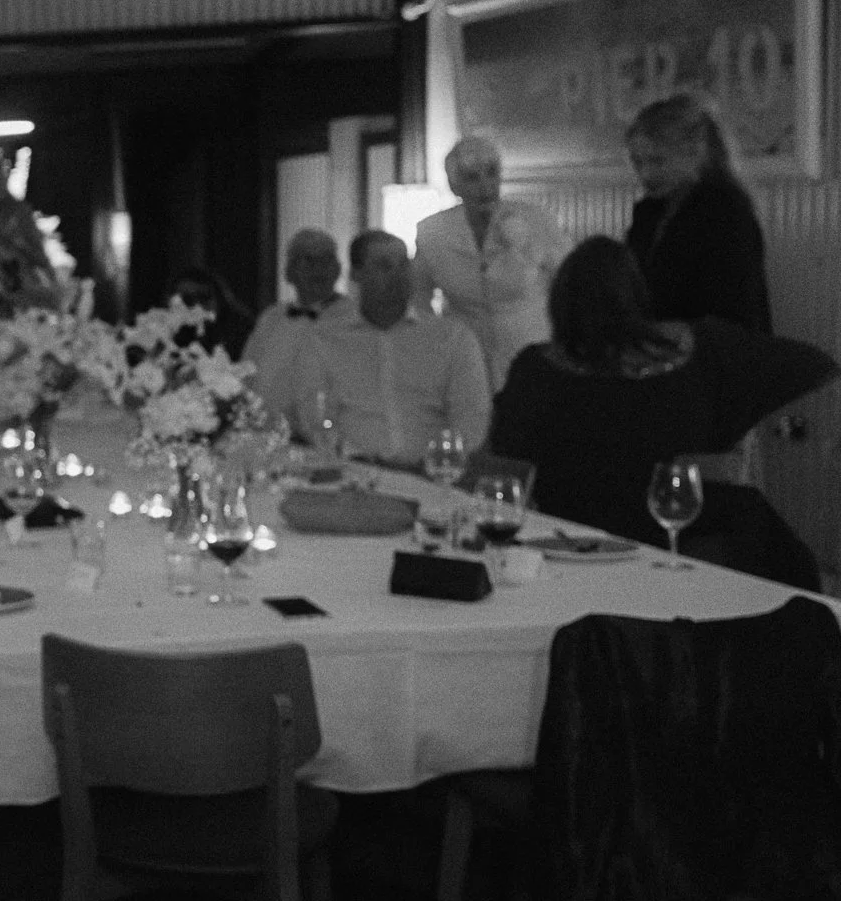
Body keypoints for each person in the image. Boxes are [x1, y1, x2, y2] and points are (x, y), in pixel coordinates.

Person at [486, 236, 832, 588]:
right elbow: (814, 367)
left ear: (560, 303)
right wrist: (748, 436)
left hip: (572, 542)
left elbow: (505, 461)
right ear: (635, 296)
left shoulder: (534, 371)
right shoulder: (702, 351)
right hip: (680, 537)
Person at [288, 228, 491, 465]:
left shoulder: (452, 338)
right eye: (384, 266)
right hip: (352, 472)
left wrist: (443, 461)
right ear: (356, 274)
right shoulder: (324, 339)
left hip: (432, 474)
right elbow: (315, 416)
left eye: (404, 265)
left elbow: (471, 418)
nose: (398, 276)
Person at [410, 136, 567, 391]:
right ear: (454, 185)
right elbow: (418, 296)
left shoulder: (535, 220)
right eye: (473, 178)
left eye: (492, 174)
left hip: (532, 351)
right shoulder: (434, 233)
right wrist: (436, 342)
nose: (486, 186)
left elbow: (569, 284)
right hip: (465, 355)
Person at [625, 93, 771, 332]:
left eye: (657, 161)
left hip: (715, 355)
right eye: (637, 162)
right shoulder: (650, 211)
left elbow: (731, 314)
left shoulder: (725, 212)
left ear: (695, 153)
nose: (645, 174)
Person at [241, 228, 341, 419]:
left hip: (323, 435)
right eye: (308, 260)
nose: (318, 269)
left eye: (326, 260)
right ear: (289, 271)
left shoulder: (352, 319)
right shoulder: (271, 318)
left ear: (338, 269)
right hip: (267, 432)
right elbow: (246, 373)